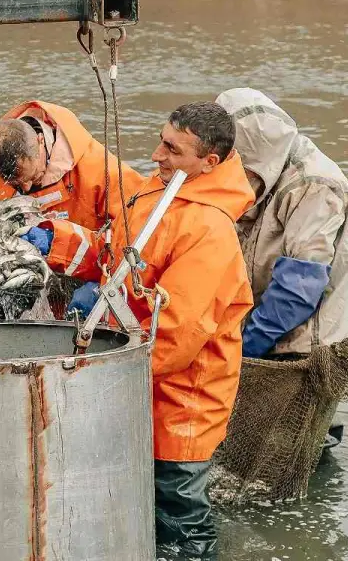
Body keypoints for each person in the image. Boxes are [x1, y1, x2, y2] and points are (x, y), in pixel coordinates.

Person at [57, 103, 256, 558]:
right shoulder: (159, 192)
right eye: (161, 139)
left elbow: (176, 335)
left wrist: (97, 378)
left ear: (209, 163)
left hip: (183, 401)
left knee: (179, 509)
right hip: (143, 386)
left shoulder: (209, 229)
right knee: (147, 502)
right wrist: (60, 241)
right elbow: (116, 259)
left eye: (171, 148)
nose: (155, 155)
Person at [0, 100, 142, 313]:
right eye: (14, 184)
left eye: (32, 177)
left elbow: (139, 241)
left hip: (85, 275)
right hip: (13, 276)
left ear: (41, 142)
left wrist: (105, 282)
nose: (27, 187)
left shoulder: (104, 171)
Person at [215, 88, 348, 359]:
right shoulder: (264, 169)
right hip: (263, 328)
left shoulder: (314, 185)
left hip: (306, 347)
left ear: (252, 157)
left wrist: (243, 349)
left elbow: (299, 287)